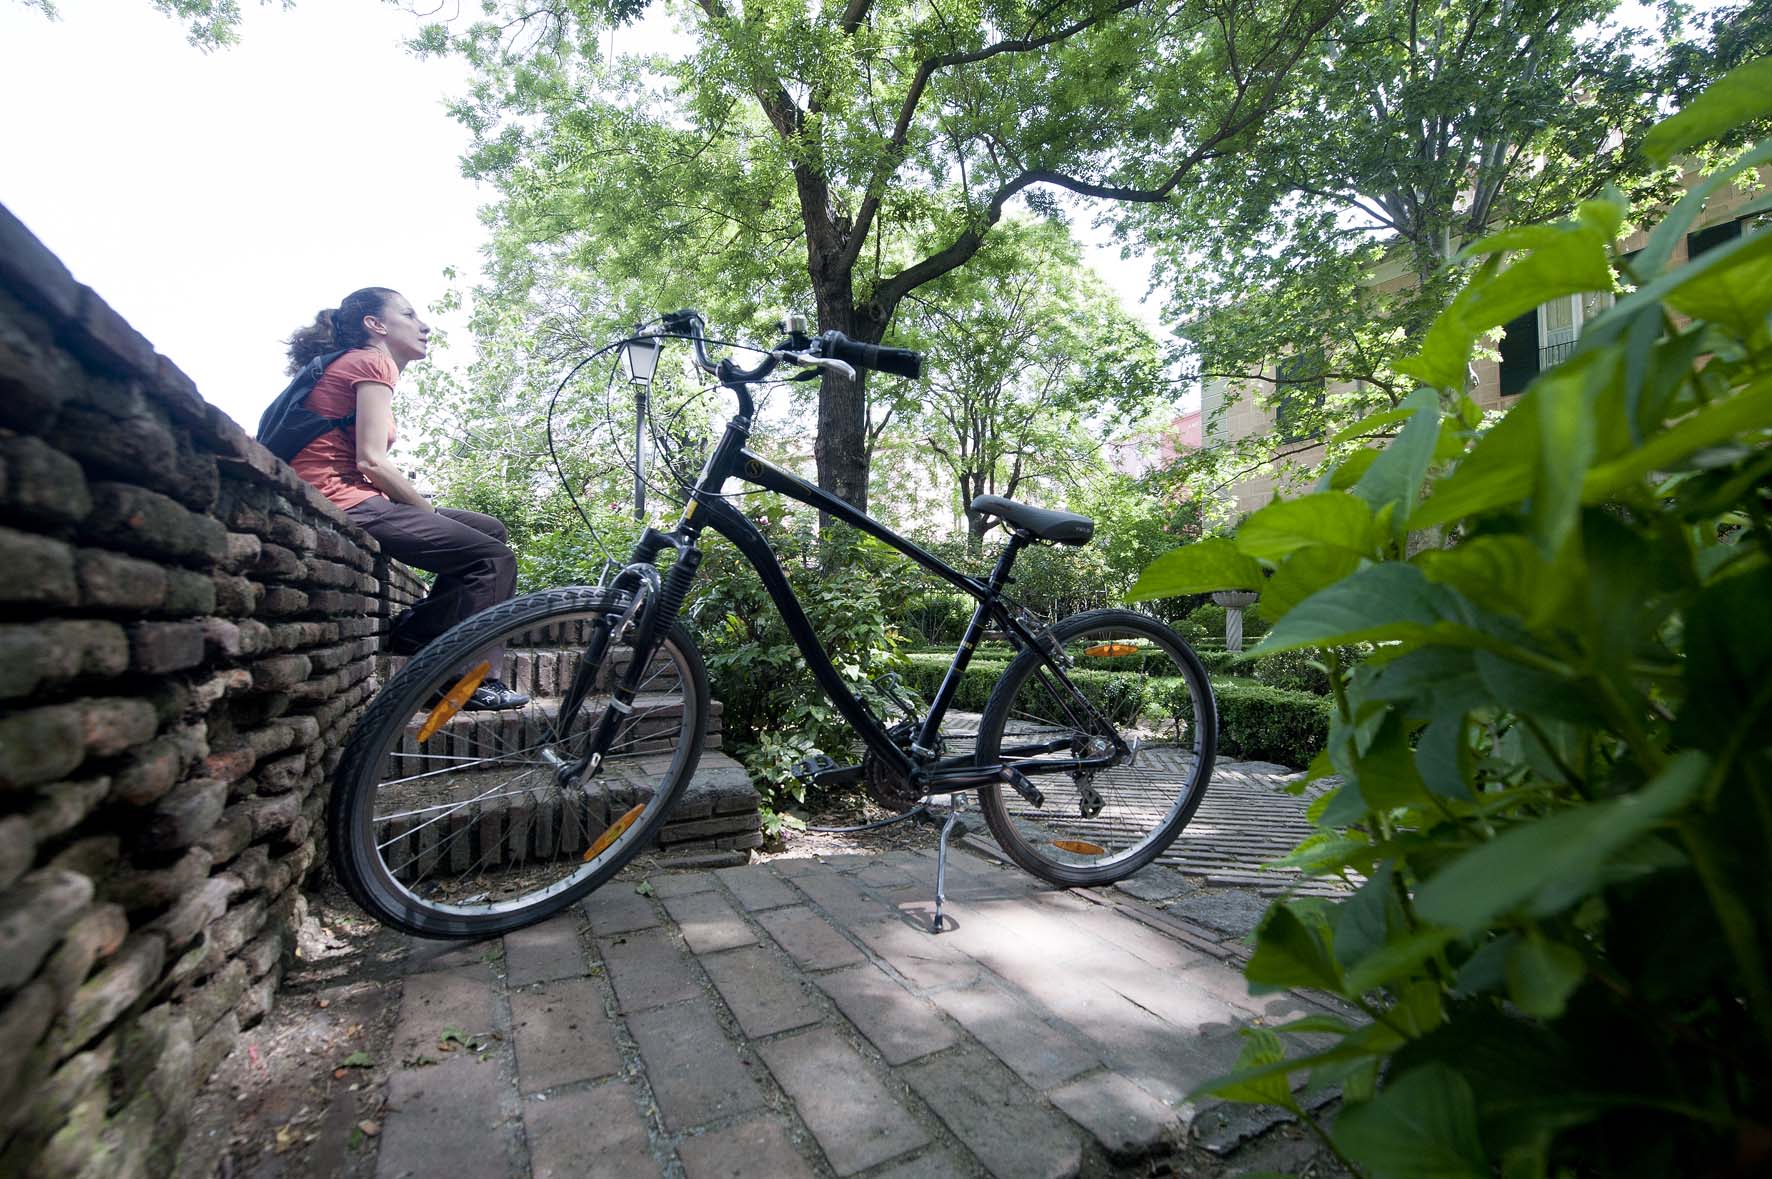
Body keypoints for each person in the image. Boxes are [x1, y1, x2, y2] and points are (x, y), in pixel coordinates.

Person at [285, 287, 528, 711]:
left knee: (489, 530)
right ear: (375, 326)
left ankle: (414, 632)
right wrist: (427, 512)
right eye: (409, 315)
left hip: (345, 495)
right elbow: (372, 461)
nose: (424, 325)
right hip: (340, 499)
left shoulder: (353, 364)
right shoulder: (371, 360)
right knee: (491, 558)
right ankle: (465, 682)